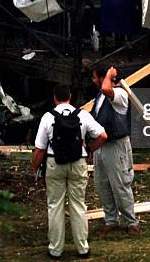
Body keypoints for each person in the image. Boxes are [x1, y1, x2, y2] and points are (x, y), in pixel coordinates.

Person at [32, 85, 107, 260]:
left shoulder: (47, 117)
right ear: (70, 97)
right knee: (78, 205)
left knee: (55, 205)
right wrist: (89, 149)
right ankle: (82, 248)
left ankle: (55, 250)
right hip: (78, 163)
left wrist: (34, 167)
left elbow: (39, 149)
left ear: (54, 98)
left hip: (54, 163)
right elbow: (103, 135)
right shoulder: (82, 115)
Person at [90, 64, 139, 237]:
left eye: (95, 77)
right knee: (102, 185)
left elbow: (106, 88)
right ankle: (111, 220)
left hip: (116, 146)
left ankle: (131, 221)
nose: (93, 80)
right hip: (102, 145)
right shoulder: (100, 96)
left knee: (120, 185)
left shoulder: (119, 94)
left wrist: (109, 74)